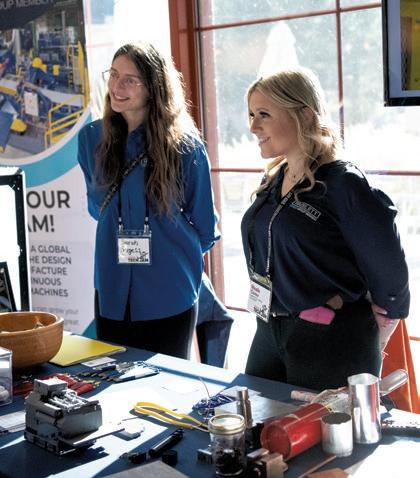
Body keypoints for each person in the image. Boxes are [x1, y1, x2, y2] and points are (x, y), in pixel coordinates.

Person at [241, 68, 410, 390]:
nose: (253, 126)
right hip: (269, 327)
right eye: (251, 115)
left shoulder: (343, 183)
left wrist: (386, 318)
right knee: (255, 416)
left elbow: (389, 268)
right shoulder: (275, 179)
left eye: (264, 114)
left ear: (304, 115)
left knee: (326, 424)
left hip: (329, 335)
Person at [77, 43, 219, 359]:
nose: (116, 86)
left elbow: (205, 227)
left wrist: (169, 256)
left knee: (168, 383)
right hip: (112, 288)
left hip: (169, 292)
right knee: (114, 379)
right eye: (114, 74)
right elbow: (98, 208)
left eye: (130, 80)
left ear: (154, 88)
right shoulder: (90, 140)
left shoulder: (184, 146)